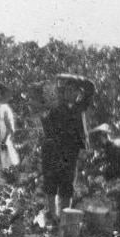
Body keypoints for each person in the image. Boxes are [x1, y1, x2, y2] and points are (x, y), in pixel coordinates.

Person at [41, 73, 95, 222]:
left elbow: (90, 87)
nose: (70, 93)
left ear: (79, 93)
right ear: (63, 93)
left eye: (74, 90)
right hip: (54, 150)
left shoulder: (80, 107)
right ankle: (52, 215)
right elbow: (47, 127)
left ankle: (65, 216)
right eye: (67, 90)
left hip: (71, 151)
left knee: (67, 182)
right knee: (51, 181)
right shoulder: (55, 108)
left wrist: (72, 77)